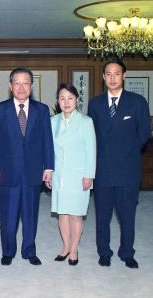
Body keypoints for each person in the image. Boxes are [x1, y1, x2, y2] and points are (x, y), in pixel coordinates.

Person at [0, 67, 54, 266]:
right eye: (17, 83)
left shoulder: (42, 110)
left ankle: (29, 251)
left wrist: (49, 168)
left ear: (31, 86)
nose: (21, 87)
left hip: (33, 173)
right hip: (7, 172)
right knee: (8, 216)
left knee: (30, 215)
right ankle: (8, 251)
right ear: (10, 86)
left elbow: (47, 142)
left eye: (26, 83)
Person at [88, 59, 151, 269]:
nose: (112, 78)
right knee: (102, 216)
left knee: (127, 217)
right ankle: (104, 252)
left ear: (124, 76)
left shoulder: (137, 102)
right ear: (103, 77)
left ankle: (127, 252)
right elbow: (92, 136)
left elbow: (143, 134)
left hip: (127, 170)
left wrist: (125, 153)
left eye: (117, 74)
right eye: (108, 74)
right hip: (103, 169)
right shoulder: (95, 103)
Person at [50, 83, 96, 266]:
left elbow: (91, 151)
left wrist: (89, 175)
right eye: (62, 98)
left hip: (78, 176)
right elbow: (49, 151)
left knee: (76, 215)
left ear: (77, 100)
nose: (66, 102)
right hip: (59, 175)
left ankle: (74, 249)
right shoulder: (53, 121)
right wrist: (48, 172)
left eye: (70, 98)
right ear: (58, 101)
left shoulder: (86, 121)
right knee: (62, 214)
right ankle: (66, 246)